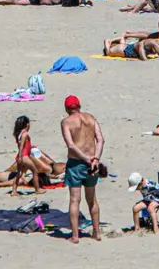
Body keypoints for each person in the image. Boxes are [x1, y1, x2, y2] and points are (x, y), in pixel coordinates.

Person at [61, 96, 104, 243]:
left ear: (67, 109)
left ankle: (75, 236)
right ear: (79, 106)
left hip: (76, 163)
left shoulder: (66, 122)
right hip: (93, 164)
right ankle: (96, 233)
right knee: (92, 199)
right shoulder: (90, 118)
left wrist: (85, 159)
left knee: (75, 200)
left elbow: (71, 145)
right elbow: (100, 139)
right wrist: (96, 159)